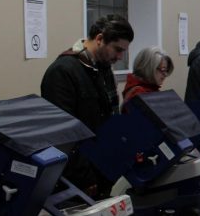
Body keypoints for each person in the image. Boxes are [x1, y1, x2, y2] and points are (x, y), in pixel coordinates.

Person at [41, 14, 134, 197]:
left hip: (103, 167)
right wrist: (84, 177)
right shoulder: (62, 71)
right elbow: (63, 135)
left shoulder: (103, 69)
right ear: (99, 39)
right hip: (79, 178)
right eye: (117, 49)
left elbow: (109, 119)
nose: (120, 56)